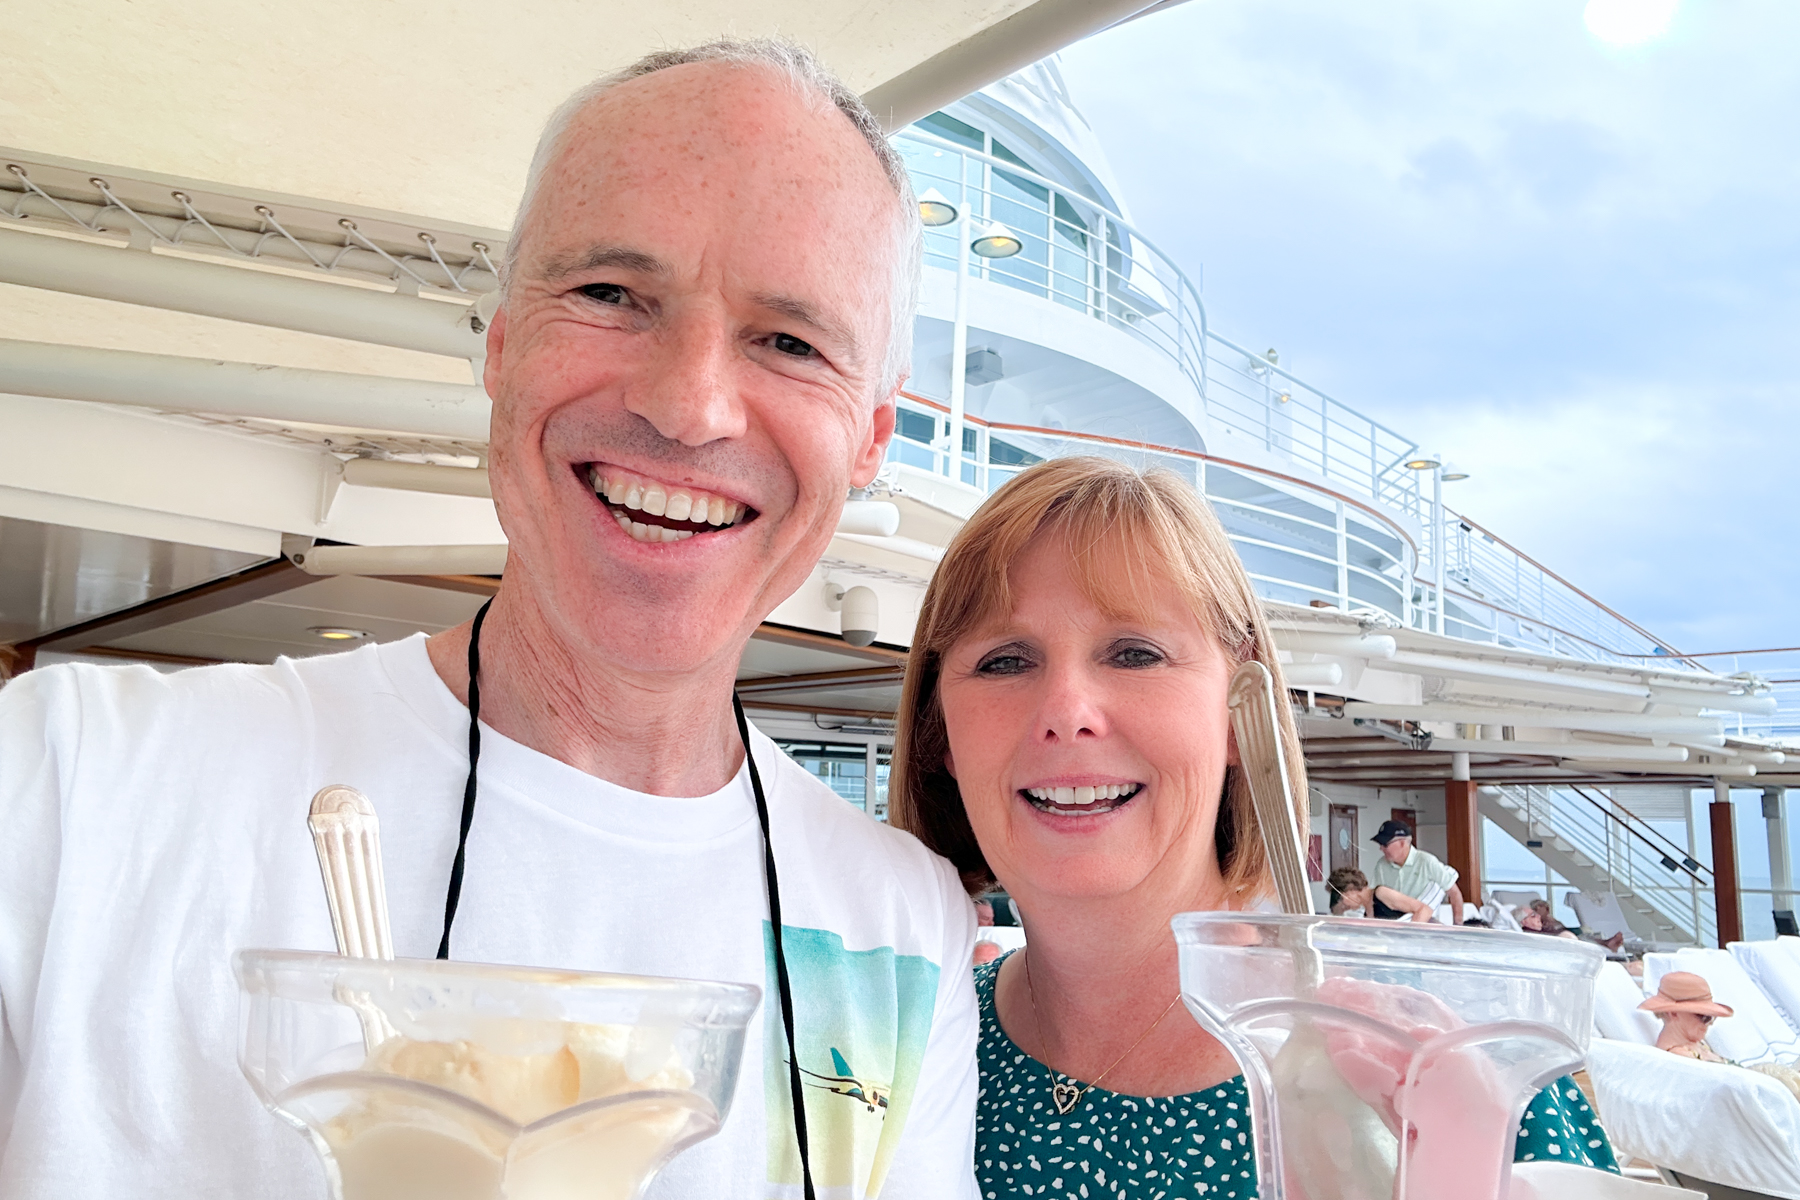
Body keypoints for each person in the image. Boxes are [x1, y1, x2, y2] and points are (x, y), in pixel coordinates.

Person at [0, 39, 980, 1200]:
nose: (688, 404)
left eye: (790, 341)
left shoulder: (895, 929)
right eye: (612, 294)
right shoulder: (71, 779)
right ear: (504, 346)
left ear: (870, 437)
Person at [890, 457, 1618, 1198]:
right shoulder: (891, 1052)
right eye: (1005, 661)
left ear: (1243, 715)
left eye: (1136, 653)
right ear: (940, 735)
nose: (1067, 711)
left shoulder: (1427, 1061)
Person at [1370, 818, 1466, 924]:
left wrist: (1458, 926)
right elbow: (1372, 896)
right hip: (1393, 922)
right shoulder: (1381, 865)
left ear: (1402, 843)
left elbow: (1454, 893)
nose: (1381, 849)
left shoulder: (1426, 861)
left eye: (1385, 845)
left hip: (1423, 921)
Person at [1327, 865, 1436, 921]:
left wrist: (1409, 937)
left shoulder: (1381, 893)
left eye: (1342, 898)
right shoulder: (1366, 910)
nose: (1345, 904)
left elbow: (1424, 910)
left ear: (1350, 890)